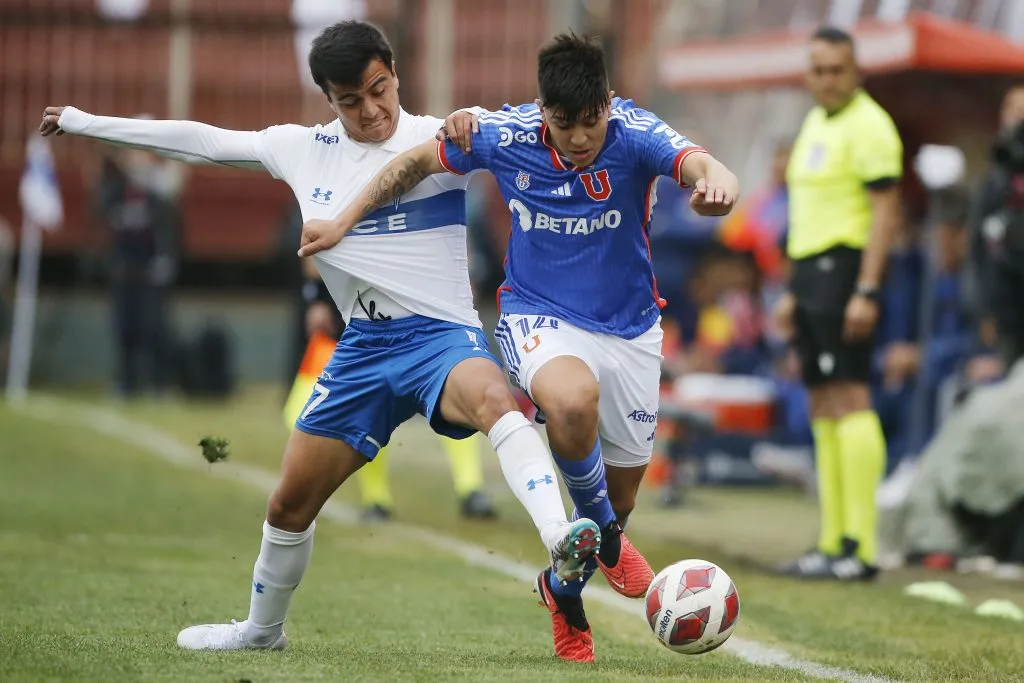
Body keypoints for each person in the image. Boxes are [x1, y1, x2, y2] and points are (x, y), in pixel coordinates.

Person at [40, 20, 601, 653]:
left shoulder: (443, 135)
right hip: (360, 349)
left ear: (393, 71)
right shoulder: (302, 148)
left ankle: (560, 536)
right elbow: (202, 141)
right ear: (327, 99)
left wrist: (474, 116)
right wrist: (86, 121)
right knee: (286, 508)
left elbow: (538, 128)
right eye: (350, 100)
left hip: (441, 340)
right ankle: (261, 632)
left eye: (378, 89)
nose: (370, 110)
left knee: (496, 398)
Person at [298, 32, 738, 662]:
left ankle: (563, 588)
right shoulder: (504, 135)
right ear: (542, 111)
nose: (581, 138)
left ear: (609, 104)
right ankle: (611, 543)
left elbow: (704, 165)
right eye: (564, 124)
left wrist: (716, 187)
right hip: (540, 318)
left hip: (633, 330)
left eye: (592, 122)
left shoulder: (636, 131)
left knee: (622, 493)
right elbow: (415, 163)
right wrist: (342, 220)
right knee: (573, 401)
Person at [773, 26, 903, 581]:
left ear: (856, 71)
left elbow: (884, 214)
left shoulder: (871, 125)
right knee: (823, 401)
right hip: (810, 274)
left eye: (837, 70)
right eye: (818, 70)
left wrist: (867, 289)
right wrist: (791, 290)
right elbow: (808, 213)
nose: (827, 80)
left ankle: (862, 547)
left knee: (850, 395)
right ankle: (831, 542)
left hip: (845, 270)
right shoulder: (814, 123)